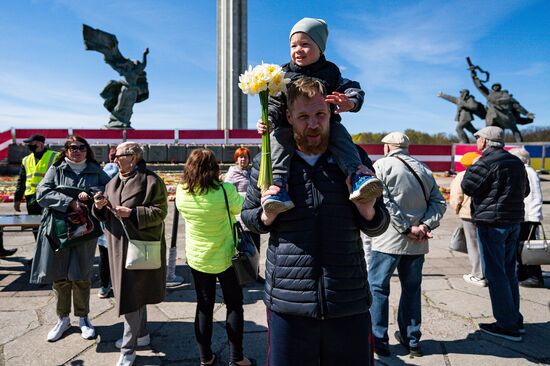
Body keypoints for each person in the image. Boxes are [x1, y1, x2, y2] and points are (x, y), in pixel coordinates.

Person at [242, 77, 390, 366]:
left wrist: (368, 210)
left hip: (348, 302)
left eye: (320, 115)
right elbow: (250, 218)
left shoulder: (353, 158)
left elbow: (379, 224)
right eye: (303, 117)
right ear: (288, 116)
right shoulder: (270, 161)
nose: (313, 124)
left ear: (331, 113)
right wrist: (267, 214)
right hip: (289, 306)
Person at [257, 17, 383, 215]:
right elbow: (274, 102)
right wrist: (269, 119)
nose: (298, 49)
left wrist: (349, 102)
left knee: (341, 137)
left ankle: (357, 175)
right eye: (293, 45)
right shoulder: (282, 74)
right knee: (277, 143)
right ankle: (278, 187)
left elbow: (353, 89)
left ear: (320, 48)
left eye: (305, 44)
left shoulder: (330, 72)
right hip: (288, 127)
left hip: (326, 126)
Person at [369, 132, 447, 357]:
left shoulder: (381, 165)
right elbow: (439, 203)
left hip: (388, 240)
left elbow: (383, 201)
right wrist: (425, 226)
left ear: (388, 147)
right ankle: (412, 340)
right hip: (418, 242)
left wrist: (405, 227)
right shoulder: (423, 168)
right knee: (412, 290)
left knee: (378, 289)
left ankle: (378, 341)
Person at [175, 148, 255, 366]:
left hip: (198, 258)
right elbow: (242, 207)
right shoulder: (224, 190)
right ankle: (237, 358)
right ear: (213, 168)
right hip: (227, 257)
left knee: (204, 307)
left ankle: (205, 358)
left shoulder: (182, 192)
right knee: (234, 305)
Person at [93, 142, 167, 366]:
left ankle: (128, 349)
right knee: (135, 294)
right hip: (116, 246)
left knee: (130, 296)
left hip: (139, 246)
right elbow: (105, 214)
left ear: (133, 157)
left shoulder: (151, 180)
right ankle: (142, 335)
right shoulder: (114, 180)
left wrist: (133, 213)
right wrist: (99, 205)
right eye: (114, 155)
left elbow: (160, 212)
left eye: (119, 155)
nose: (114, 158)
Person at [29, 135, 110, 342]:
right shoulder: (56, 169)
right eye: (73, 147)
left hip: (85, 230)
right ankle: (63, 319)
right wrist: (70, 201)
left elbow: (109, 190)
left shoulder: (95, 169)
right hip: (59, 230)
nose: (77, 151)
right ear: (66, 150)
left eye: (82, 147)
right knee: (60, 276)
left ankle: (83, 318)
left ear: (87, 150)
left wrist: (93, 195)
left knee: (82, 275)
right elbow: (42, 193)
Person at [462, 126, 529, 342]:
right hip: (514, 222)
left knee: (496, 274)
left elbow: (468, 187)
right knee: (509, 271)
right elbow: (525, 190)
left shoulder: (485, 162)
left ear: (485, 141)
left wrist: (473, 170)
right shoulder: (516, 162)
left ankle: (507, 325)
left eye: (478, 138)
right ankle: (514, 319)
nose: (476, 142)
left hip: (492, 224)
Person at [5, 134, 59, 258]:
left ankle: (52, 256)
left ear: (40, 143)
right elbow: (21, 180)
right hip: (31, 200)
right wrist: (17, 200)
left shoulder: (54, 156)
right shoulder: (26, 159)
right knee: (36, 228)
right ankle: (39, 256)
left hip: (49, 197)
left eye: (31, 143)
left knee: (51, 228)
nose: (29, 145)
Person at [223, 147, 263, 282]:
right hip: (240, 215)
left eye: (245, 157)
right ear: (236, 159)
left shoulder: (252, 172)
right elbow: (228, 193)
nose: (243, 159)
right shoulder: (232, 174)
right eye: (240, 157)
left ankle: (255, 274)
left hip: (255, 213)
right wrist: (246, 197)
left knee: (255, 247)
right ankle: (242, 275)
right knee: (243, 248)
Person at [449, 152, 486, 287]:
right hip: (486, 214)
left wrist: (457, 209)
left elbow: (456, 196)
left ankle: (478, 274)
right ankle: (489, 272)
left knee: (473, 245)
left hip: (468, 214)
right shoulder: (487, 172)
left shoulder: (462, 175)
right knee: (486, 244)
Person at [509, 148, 544, 288]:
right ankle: (523, 273)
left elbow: (535, 197)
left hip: (529, 217)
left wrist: (534, 217)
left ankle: (535, 276)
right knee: (522, 247)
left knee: (530, 248)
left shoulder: (528, 172)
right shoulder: (524, 171)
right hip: (524, 216)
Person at [96, 146, 118, 298]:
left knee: (104, 257)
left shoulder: (103, 170)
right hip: (115, 222)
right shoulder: (114, 169)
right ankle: (117, 286)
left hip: (103, 222)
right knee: (117, 257)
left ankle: (104, 286)